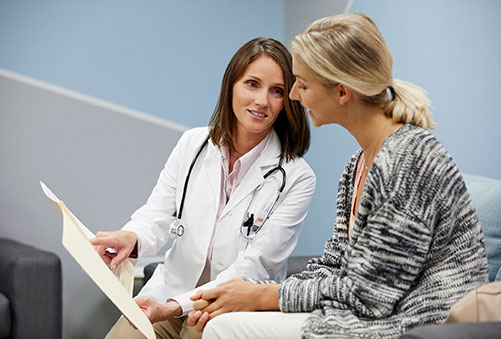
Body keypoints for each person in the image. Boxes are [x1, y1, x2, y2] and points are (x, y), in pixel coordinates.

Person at [187, 13, 489, 339]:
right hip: (370, 310)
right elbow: (334, 265)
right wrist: (253, 293)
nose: (293, 97)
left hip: (414, 321)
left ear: (342, 92)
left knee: (223, 329)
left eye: (302, 84)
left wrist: (264, 296)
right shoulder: (356, 166)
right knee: (225, 320)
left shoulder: (408, 160)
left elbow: (373, 297)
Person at [90, 37, 316, 339]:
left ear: (288, 100)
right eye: (252, 84)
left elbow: (253, 269)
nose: (262, 100)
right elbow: (156, 214)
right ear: (231, 86)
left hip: (231, 308)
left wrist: (174, 307)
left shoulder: (297, 177)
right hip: (171, 290)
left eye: (276, 91)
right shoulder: (192, 144)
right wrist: (131, 238)